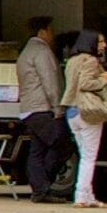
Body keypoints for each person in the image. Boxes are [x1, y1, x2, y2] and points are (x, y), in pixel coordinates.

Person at [14, 17, 67, 202]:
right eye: (51, 31)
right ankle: (42, 187)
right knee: (62, 144)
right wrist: (58, 107)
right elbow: (50, 82)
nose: (52, 35)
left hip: (29, 108)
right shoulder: (42, 51)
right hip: (42, 108)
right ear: (42, 32)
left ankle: (40, 188)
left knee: (37, 150)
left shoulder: (25, 52)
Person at [62, 30, 107, 207]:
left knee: (83, 154)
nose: (104, 45)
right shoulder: (91, 61)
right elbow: (85, 84)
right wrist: (104, 79)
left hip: (71, 111)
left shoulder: (72, 61)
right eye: (100, 42)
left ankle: (88, 195)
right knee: (88, 157)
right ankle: (81, 196)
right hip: (86, 111)